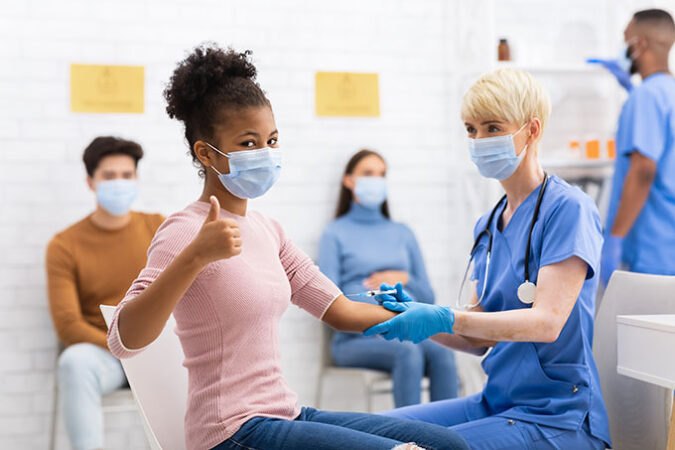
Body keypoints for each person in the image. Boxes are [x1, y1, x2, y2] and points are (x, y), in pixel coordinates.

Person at [106, 44, 468, 450]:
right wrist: (195, 257)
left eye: (271, 140)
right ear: (206, 153)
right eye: (248, 143)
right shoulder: (185, 231)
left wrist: (427, 315)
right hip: (232, 432)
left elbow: (340, 310)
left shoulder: (268, 230)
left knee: (445, 443)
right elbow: (124, 338)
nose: (265, 153)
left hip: (284, 414)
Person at [364, 68, 611, 449]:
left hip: (557, 417)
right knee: (365, 434)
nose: (479, 140)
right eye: (471, 129)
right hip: (496, 403)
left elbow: (547, 323)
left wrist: (446, 316)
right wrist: (415, 315)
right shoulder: (489, 224)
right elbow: (477, 337)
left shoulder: (568, 209)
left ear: (532, 130)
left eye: (493, 127)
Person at [46, 136, 165, 450]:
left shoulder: (158, 228)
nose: (119, 183)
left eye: (127, 175)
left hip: (157, 352)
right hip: (105, 356)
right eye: (109, 176)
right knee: (74, 361)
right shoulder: (64, 245)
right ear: (90, 182)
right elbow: (68, 325)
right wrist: (124, 347)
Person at [319, 149, 458, 407]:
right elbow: (325, 299)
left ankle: (447, 437)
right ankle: (411, 440)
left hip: (406, 331)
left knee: (444, 354)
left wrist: (404, 278)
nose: (376, 180)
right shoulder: (334, 233)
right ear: (349, 180)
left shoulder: (403, 233)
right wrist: (374, 301)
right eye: (368, 173)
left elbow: (428, 297)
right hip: (355, 340)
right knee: (407, 352)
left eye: (382, 174)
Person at [592, 9, 675, 284]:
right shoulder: (666, 92)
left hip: (651, 251)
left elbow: (643, 171)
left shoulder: (647, 96)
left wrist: (615, 238)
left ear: (639, 45)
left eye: (626, 40)